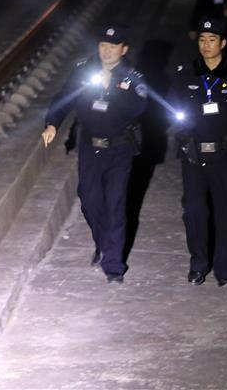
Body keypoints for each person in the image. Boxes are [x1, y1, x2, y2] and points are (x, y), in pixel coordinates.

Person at [42, 25, 147, 283]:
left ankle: (113, 265)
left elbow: (139, 108)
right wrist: (52, 122)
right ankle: (103, 244)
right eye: (102, 45)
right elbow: (64, 97)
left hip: (120, 149)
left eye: (113, 47)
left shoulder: (133, 78)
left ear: (123, 50)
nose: (106, 51)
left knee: (115, 205)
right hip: (90, 147)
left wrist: (112, 89)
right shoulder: (83, 70)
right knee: (89, 200)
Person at [169, 18, 227, 287]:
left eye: (212, 40)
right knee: (194, 212)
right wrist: (181, 134)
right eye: (202, 39)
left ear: (223, 43)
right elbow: (172, 109)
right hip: (194, 156)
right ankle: (198, 264)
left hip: (226, 157)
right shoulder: (185, 73)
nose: (206, 45)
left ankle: (225, 270)